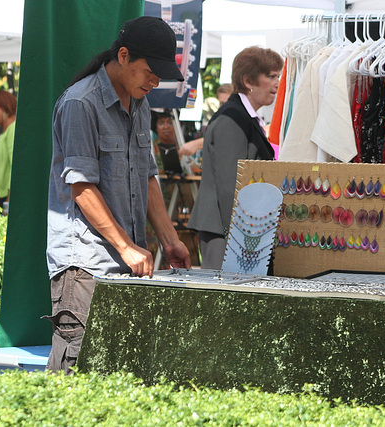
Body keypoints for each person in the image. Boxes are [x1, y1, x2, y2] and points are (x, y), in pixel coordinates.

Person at [45, 16, 192, 374]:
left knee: (119, 374)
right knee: (75, 374)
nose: (155, 81)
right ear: (123, 56)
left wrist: (169, 239)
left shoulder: (139, 105)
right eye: (149, 71)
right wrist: (126, 247)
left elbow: (147, 176)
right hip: (85, 267)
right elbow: (80, 187)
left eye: (161, 74)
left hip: (129, 265)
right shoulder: (81, 103)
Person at [187, 46, 283, 270]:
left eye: (278, 76)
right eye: (270, 76)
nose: (277, 83)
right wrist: (246, 237)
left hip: (237, 231)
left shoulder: (243, 115)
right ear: (249, 81)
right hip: (226, 232)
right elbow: (230, 184)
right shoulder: (233, 118)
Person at [179, 83, 233, 157]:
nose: (224, 107)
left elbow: (226, 139)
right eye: (221, 103)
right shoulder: (219, 121)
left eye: (227, 103)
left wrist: (196, 144)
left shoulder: (239, 120)